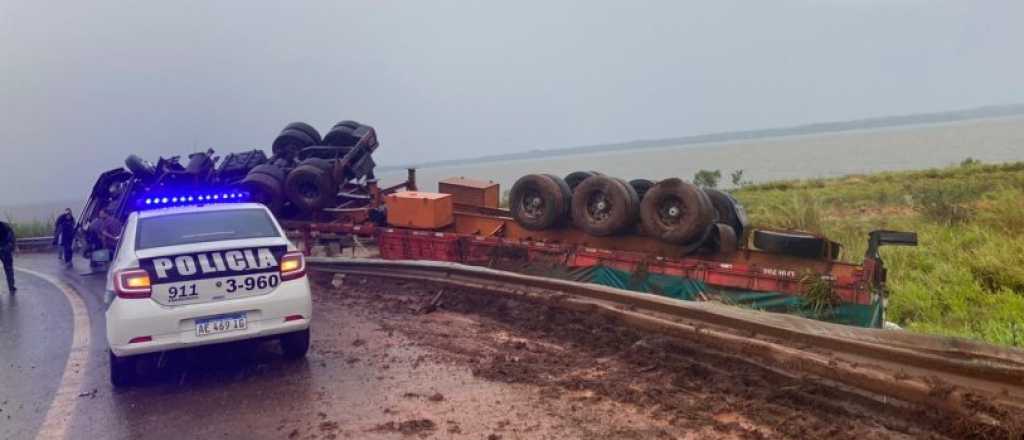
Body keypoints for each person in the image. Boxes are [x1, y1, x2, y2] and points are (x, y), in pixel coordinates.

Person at [0, 220, 15, 294]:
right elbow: (11, 239)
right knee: (9, 269)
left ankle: (11, 286)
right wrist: (10, 247)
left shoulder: (5, 226)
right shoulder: (5, 226)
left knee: (9, 269)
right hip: (5, 250)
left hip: (4, 249)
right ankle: (11, 287)